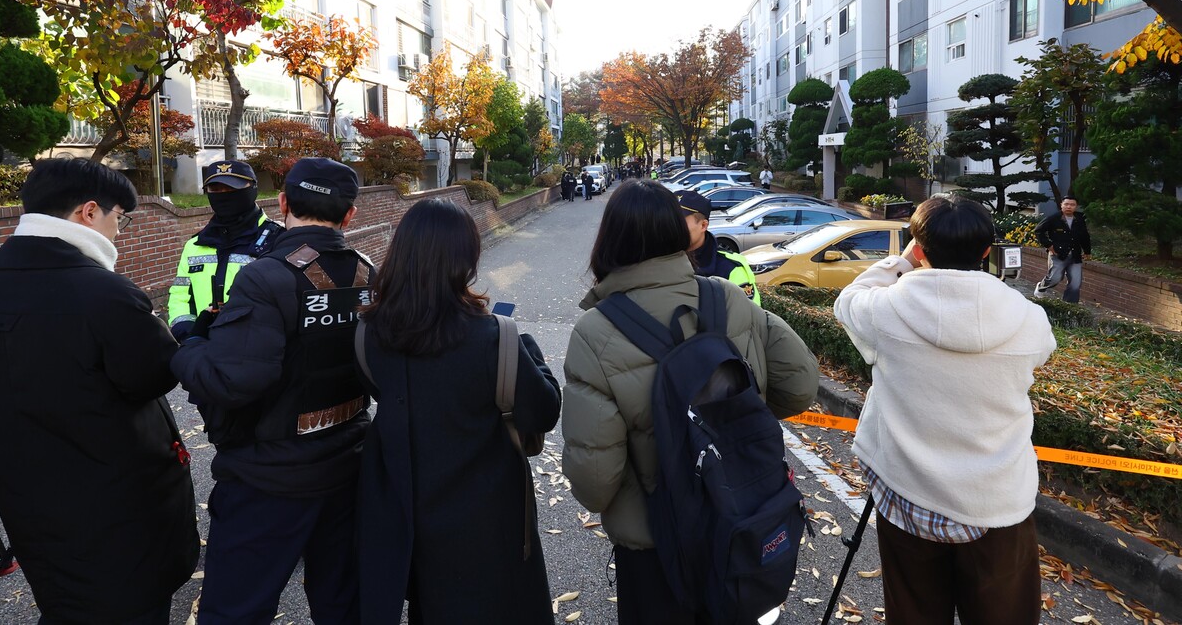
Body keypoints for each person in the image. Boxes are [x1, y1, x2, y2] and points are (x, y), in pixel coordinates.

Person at [0, 158, 198, 625]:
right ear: (88, 212)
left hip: (30, 506)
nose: (118, 233)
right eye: (118, 219)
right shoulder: (104, 294)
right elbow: (155, 375)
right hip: (120, 515)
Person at [562, 180, 819, 625]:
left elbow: (595, 483)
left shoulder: (596, 332)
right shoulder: (729, 297)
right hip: (740, 520)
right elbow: (800, 383)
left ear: (610, 239)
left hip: (655, 548)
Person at [834, 194, 1056, 625]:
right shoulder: (1030, 319)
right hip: (998, 504)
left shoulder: (885, 312)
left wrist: (899, 263)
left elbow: (849, 298)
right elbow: (1040, 354)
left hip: (907, 494)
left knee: (915, 612)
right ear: (987, 251)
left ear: (918, 250)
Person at [172, 158, 374, 625]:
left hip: (269, 478)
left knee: (235, 610)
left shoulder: (265, 277)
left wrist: (190, 348)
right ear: (349, 216)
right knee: (344, 603)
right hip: (350, 464)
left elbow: (232, 382)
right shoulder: (368, 275)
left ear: (281, 203)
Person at [355, 199, 561, 624]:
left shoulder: (369, 332)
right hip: (488, 525)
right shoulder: (493, 337)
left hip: (407, 519)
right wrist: (531, 353)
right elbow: (541, 413)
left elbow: (376, 390)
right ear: (465, 259)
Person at [167, 159, 283, 340]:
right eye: (216, 190)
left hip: (257, 350)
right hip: (202, 349)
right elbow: (180, 295)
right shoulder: (195, 245)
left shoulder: (278, 239)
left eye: (232, 189)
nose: (224, 195)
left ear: (253, 189)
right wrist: (188, 334)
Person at [676, 189, 761, 305]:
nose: (672, 227)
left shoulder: (730, 268)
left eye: (679, 222)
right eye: (669, 220)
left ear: (703, 225)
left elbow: (749, 318)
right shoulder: (657, 258)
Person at [1034, 195, 1093, 303]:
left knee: (1075, 283)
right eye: (1066, 204)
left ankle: (1070, 306)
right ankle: (1041, 286)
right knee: (1055, 278)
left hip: (1075, 255)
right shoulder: (1054, 218)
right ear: (1061, 205)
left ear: (1076, 206)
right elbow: (1038, 231)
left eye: (1072, 204)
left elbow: (1085, 235)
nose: (1069, 207)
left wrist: (1087, 251)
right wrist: (1049, 245)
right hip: (1058, 254)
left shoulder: (1079, 219)